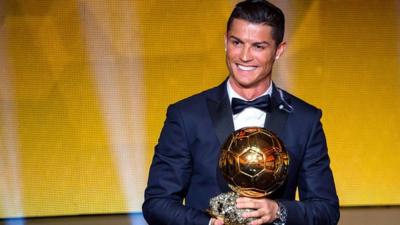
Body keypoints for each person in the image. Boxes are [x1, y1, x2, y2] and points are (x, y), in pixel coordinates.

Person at [142, 0, 340, 225]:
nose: (245, 56)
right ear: (226, 42)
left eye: (258, 46)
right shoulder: (186, 116)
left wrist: (278, 211)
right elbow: (157, 203)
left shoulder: (305, 120)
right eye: (237, 42)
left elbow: (326, 210)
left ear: (278, 50)